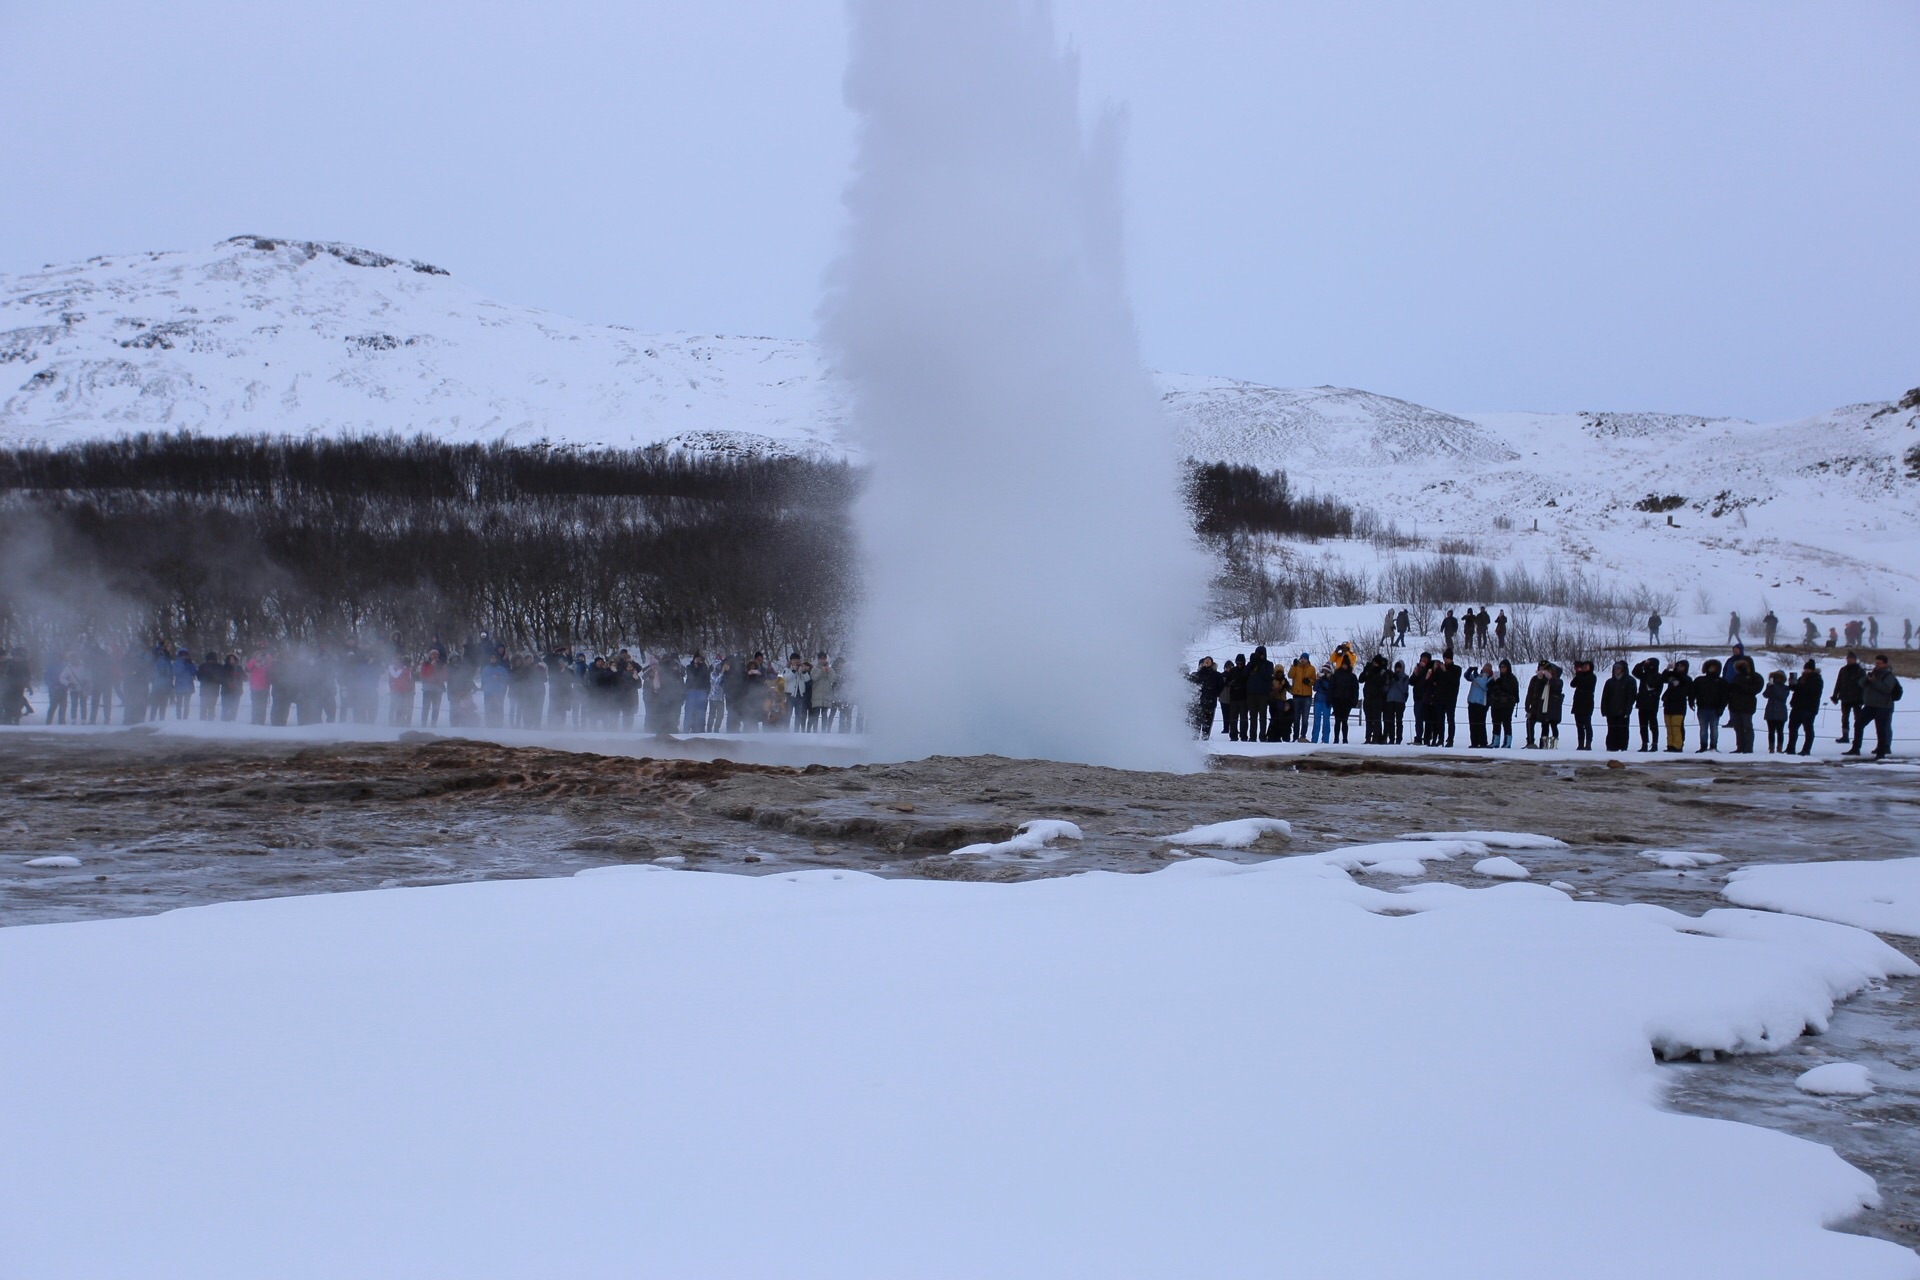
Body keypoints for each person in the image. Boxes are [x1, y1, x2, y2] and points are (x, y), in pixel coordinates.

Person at [1845, 655, 1902, 758]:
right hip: (1869, 705)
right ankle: (1855, 748)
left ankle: (1881, 753)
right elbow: (1861, 683)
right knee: (1858, 724)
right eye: (1876, 663)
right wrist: (1868, 678)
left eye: (1879, 663)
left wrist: (1874, 681)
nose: (1877, 665)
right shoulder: (1874, 673)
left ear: (1885, 664)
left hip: (1883, 706)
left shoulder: (1889, 676)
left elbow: (1886, 689)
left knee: (1881, 729)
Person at [1786, 660, 1822, 756]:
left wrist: (1798, 685)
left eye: (1808, 669)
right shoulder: (1802, 678)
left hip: (1809, 708)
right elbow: (1797, 689)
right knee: (1792, 728)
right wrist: (1792, 684)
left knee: (1808, 729)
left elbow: (1810, 691)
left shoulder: (1817, 679)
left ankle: (1806, 749)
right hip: (1797, 706)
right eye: (1805, 669)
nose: (1806, 671)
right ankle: (1790, 748)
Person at [1601, 660, 1637, 752]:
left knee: (1623, 731)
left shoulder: (1630, 681)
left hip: (1623, 711)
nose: (1616, 670)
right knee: (1611, 730)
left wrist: (1627, 711)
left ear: (1623, 669)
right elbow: (1605, 697)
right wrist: (1604, 710)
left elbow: (1631, 697)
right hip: (1611, 711)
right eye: (1615, 668)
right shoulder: (1609, 682)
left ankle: (1622, 748)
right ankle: (1611, 747)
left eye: (1618, 668)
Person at [1691, 659, 1726, 752]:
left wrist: (1721, 708)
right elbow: (1693, 692)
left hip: (1715, 709)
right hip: (1702, 708)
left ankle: (1713, 746)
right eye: (1710, 667)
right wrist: (1691, 701)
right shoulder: (1699, 680)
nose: (1711, 669)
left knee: (1714, 729)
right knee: (1703, 729)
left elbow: (1724, 696)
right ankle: (1703, 746)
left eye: (1714, 667)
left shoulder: (1721, 682)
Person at [1658, 659, 1691, 752]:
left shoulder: (1687, 679)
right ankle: (1670, 745)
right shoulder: (1672, 676)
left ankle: (1678, 746)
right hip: (1668, 705)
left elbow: (1683, 680)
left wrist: (1674, 673)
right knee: (1669, 727)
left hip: (1679, 707)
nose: (1679, 668)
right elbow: (1662, 679)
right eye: (1678, 666)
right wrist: (1667, 670)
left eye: (1681, 666)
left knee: (1676, 727)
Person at [1831, 651, 1864, 743]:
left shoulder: (1860, 671)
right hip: (1845, 698)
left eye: (1851, 658)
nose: (1849, 660)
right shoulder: (1843, 670)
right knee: (1845, 718)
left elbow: (1864, 686)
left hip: (1857, 699)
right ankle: (1845, 736)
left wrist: (1862, 699)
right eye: (1848, 658)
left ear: (1855, 660)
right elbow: (1838, 683)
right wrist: (1835, 695)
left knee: (1858, 719)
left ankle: (1857, 737)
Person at [1631, 656, 1663, 751]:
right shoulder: (1644, 675)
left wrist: (1652, 695)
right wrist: (1642, 663)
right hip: (1642, 703)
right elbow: (1635, 672)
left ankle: (1654, 744)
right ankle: (1644, 743)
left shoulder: (1658, 676)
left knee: (1653, 724)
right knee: (1643, 725)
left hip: (1652, 704)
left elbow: (1658, 691)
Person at [1187, 657, 1223, 739]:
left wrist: (1215, 694)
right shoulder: (1197, 675)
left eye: (1209, 661)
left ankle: (1205, 737)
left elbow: (1221, 686)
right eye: (1205, 661)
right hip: (1199, 701)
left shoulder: (1217, 675)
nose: (1207, 662)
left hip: (1211, 700)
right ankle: (1195, 736)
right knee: (1197, 720)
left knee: (1208, 720)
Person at [1486, 659, 1519, 748]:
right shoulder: (1497, 677)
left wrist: (1501, 682)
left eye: (1503, 667)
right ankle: (1495, 741)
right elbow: (1488, 687)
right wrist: (1492, 680)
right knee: (1495, 722)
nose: (1501, 669)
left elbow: (1511, 689)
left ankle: (1507, 741)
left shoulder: (1511, 678)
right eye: (1500, 667)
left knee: (1506, 722)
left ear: (1507, 668)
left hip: (1507, 704)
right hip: (1496, 703)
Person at [1244, 646, 1273, 742]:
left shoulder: (1268, 664)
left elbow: (1268, 676)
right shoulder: (1251, 664)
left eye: (1260, 654)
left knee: (1262, 717)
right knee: (1252, 717)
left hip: (1263, 694)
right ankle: (1252, 737)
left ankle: (1262, 736)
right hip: (1251, 694)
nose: (1259, 656)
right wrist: (1251, 663)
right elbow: (1244, 675)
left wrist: (1260, 665)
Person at [1328, 660, 1358, 744]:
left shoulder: (1352, 677)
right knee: (1337, 721)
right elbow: (1331, 688)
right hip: (1337, 700)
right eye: (1343, 664)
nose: (1344, 666)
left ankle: (1345, 739)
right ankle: (1336, 739)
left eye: (1346, 665)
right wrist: (1330, 699)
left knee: (1344, 721)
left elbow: (1355, 689)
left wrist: (1354, 700)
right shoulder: (1336, 675)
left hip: (1347, 701)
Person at [1762, 670, 1791, 752]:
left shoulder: (1785, 688)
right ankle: (1771, 747)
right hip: (1771, 710)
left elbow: (1781, 696)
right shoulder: (1771, 686)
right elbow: (1765, 695)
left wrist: (1773, 687)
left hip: (1780, 711)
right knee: (1771, 731)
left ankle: (1779, 747)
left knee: (1780, 731)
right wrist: (1769, 687)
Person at [1288, 652, 1315, 741]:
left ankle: (1303, 735)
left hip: (1307, 696)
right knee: (1296, 718)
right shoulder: (1296, 667)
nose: (1303, 660)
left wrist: (1309, 681)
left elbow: (1314, 680)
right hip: (1297, 695)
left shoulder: (1311, 669)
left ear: (1307, 660)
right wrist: (1293, 666)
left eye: (1305, 658)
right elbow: (1290, 675)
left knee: (1305, 718)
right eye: (1302, 658)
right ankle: (1295, 736)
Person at [1570, 659, 1596, 750]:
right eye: (1583, 666)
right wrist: (1578, 673)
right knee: (1579, 725)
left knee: (1587, 723)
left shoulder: (1592, 677)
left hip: (1587, 702)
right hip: (1578, 702)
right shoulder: (1580, 676)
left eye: (1586, 666)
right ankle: (1580, 743)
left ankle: (1588, 743)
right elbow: (1572, 684)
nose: (1584, 667)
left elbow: (1585, 682)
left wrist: (1579, 672)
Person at [1384, 660, 1410, 744]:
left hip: (1400, 701)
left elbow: (1404, 689)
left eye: (1399, 668)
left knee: (1399, 721)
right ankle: (1391, 738)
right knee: (1390, 721)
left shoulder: (1405, 677)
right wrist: (1389, 680)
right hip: (1390, 700)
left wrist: (1398, 680)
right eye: (1396, 668)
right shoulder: (1392, 676)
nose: (1397, 669)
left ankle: (1398, 739)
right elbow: (1386, 689)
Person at [1466, 663, 1492, 747]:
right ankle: (1474, 742)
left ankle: (1483, 742)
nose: (1485, 669)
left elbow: (1485, 686)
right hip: (1472, 702)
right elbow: (1467, 677)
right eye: (1484, 668)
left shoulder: (1490, 678)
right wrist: (1469, 671)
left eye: (1487, 668)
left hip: (1482, 703)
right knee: (1472, 723)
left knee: (1480, 723)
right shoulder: (1478, 676)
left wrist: (1476, 677)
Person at [1310, 666, 1333, 743]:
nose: (1325, 673)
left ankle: (1325, 739)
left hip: (1327, 701)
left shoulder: (1331, 680)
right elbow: (1315, 688)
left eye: (1326, 671)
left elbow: (1329, 688)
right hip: (1318, 700)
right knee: (1317, 720)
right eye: (1323, 671)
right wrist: (1318, 680)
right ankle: (1314, 739)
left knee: (1326, 720)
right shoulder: (1319, 679)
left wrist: (1325, 680)